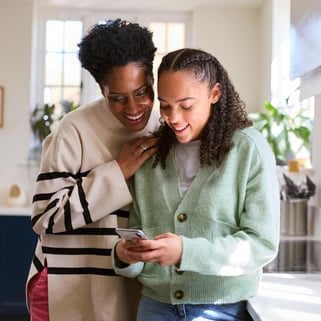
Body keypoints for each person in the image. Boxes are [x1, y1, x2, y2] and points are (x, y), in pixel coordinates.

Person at [113, 48, 280, 321]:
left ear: (214, 94)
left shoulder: (249, 149)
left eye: (186, 105)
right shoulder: (151, 156)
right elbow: (138, 234)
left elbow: (261, 244)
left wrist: (185, 252)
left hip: (220, 310)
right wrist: (124, 255)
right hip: (155, 308)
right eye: (165, 106)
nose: (174, 118)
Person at [26, 19, 160, 321]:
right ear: (102, 90)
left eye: (142, 92)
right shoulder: (73, 129)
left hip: (129, 291)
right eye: (118, 98)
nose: (134, 107)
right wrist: (117, 171)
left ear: (152, 79)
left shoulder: (165, 125)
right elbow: (44, 216)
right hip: (67, 288)